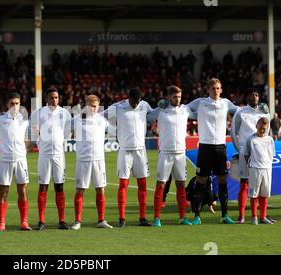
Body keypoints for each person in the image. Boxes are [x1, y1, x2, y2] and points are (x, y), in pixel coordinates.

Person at [187, 78, 239, 225]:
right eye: (213, 88)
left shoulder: (226, 103)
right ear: (208, 90)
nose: (215, 91)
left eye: (218, 88)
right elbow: (183, 109)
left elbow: (240, 112)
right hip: (205, 147)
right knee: (201, 180)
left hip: (220, 148)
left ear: (221, 90)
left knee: (222, 180)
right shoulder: (200, 102)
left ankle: (224, 215)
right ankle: (197, 216)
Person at [103, 87, 153, 227]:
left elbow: (153, 114)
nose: (135, 104)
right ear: (128, 98)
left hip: (140, 151)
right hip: (125, 150)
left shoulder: (144, 105)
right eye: (133, 101)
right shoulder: (118, 107)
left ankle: (142, 218)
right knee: (123, 184)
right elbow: (101, 115)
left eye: (137, 102)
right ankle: (122, 218)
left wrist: (163, 106)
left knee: (142, 184)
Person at [147, 86, 195, 227]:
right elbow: (147, 115)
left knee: (180, 185)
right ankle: (156, 218)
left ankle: (182, 217)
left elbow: (200, 112)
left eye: (179, 97)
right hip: (165, 153)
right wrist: (157, 104)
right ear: (169, 97)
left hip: (180, 153)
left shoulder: (185, 110)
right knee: (160, 185)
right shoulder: (161, 110)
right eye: (175, 97)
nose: (177, 99)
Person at [30, 87, 72, 230]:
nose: (54, 100)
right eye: (51, 97)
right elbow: (33, 132)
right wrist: (41, 143)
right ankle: (41, 221)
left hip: (59, 155)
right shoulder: (39, 113)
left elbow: (67, 133)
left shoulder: (65, 113)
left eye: (56, 97)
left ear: (59, 98)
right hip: (45, 155)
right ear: (46, 99)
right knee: (43, 186)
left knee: (59, 186)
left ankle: (62, 220)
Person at [70, 95, 113, 230]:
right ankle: (77, 221)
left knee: (100, 190)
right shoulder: (77, 120)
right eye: (89, 106)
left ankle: (101, 220)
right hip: (83, 159)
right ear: (85, 105)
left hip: (99, 160)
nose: (92, 109)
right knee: (80, 190)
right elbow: (61, 129)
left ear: (98, 106)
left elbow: (116, 130)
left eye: (94, 106)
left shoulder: (102, 121)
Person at [0, 92, 32, 231]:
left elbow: (29, 138)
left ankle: (24, 222)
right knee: (3, 190)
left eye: (17, 103)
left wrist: (24, 150)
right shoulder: (0, 119)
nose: (15, 106)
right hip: (5, 160)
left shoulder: (25, 120)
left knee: (22, 190)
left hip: (21, 160)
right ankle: (1, 223)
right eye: (12, 104)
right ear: (7, 105)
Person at [230, 89, 270, 224]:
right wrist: (240, 149)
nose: (254, 96)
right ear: (247, 97)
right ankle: (241, 216)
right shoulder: (240, 112)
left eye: (257, 94)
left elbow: (267, 130)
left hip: (260, 154)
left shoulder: (264, 112)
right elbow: (233, 132)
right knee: (244, 183)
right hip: (245, 153)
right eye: (252, 94)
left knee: (261, 184)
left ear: (259, 98)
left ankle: (261, 216)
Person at [244, 117, 276, 225]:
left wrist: (267, 165)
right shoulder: (251, 139)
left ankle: (263, 217)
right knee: (254, 194)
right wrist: (251, 165)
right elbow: (246, 154)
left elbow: (272, 155)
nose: (262, 130)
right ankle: (254, 217)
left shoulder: (270, 140)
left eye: (264, 129)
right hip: (255, 169)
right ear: (256, 126)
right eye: (261, 128)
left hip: (267, 169)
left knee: (264, 194)